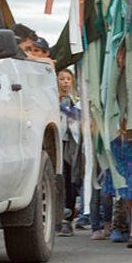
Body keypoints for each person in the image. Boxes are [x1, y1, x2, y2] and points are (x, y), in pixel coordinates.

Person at [57, 69, 84, 237]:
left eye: (68, 79)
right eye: (62, 79)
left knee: (70, 181)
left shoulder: (77, 100)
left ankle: (68, 220)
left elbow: (79, 117)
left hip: (72, 144)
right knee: (57, 178)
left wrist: (70, 110)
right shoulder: (52, 98)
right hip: (57, 142)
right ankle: (57, 216)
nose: (65, 82)